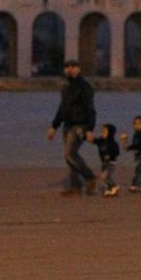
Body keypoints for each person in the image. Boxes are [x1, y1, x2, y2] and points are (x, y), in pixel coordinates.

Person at [46, 59, 97, 196]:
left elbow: (91, 109)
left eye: (73, 66)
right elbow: (62, 108)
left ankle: (90, 177)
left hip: (80, 125)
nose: (70, 69)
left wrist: (90, 129)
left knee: (70, 153)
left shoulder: (85, 87)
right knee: (70, 158)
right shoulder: (66, 88)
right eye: (67, 67)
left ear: (79, 69)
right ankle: (75, 187)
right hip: (67, 125)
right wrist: (54, 127)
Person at [93, 122, 121, 197]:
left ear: (110, 133)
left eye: (104, 132)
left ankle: (114, 186)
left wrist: (110, 155)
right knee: (103, 176)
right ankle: (109, 189)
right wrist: (87, 136)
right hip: (104, 163)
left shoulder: (113, 143)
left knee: (107, 176)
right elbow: (95, 141)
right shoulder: (101, 141)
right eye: (102, 131)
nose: (102, 133)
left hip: (111, 163)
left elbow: (117, 152)